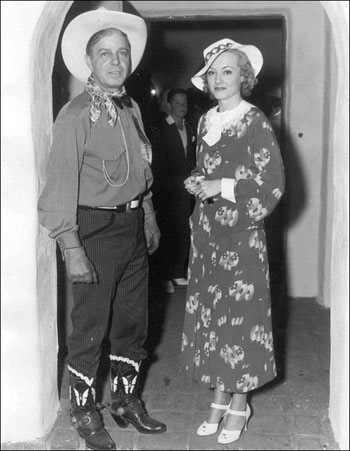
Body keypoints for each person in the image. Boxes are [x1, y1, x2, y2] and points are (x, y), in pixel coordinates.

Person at [37, 8, 167, 451]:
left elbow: (140, 169)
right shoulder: (76, 115)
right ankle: (83, 409)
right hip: (93, 229)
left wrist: (147, 216)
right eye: (105, 53)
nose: (115, 61)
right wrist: (71, 248)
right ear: (89, 62)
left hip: (131, 224)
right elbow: (57, 186)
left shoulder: (129, 106)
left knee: (133, 320)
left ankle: (125, 400)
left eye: (122, 53)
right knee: (91, 324)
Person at [181, 38, 285, 445]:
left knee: (240, 318)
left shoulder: (254, 120)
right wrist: (197, 182)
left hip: (241, 237)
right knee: (212, 316)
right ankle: (219, 396)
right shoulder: (206, 120)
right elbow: (206, 169)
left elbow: (271, 183)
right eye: (213, 73)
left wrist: (219, 185)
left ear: (244, 76)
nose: (220, 79)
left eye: (228, 71)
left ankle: (240, 400)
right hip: (207, 235)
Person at [156, 89, 197, 293]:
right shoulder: (161, 129)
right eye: (178, 102)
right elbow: (159, 164)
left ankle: (177, 273)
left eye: (185, 103)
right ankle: (164, 277)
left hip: (185, 191)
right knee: (168, 234)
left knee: (183, 232)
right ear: (169, 105)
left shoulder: (189, 129)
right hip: (168, 192)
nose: (182, 106)